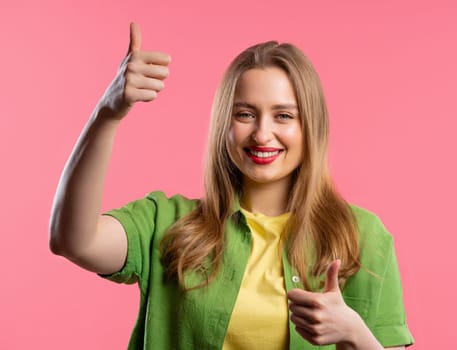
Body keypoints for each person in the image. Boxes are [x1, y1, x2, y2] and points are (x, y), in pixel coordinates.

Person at [49, 22, 414, 350]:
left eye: (283, 116)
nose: (262, 133)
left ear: (310, 127)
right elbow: (74, 241)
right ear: (225, 125)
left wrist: (354, 333)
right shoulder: (169, 224)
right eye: (245, 114)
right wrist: (107, 114)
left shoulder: (363, 238)